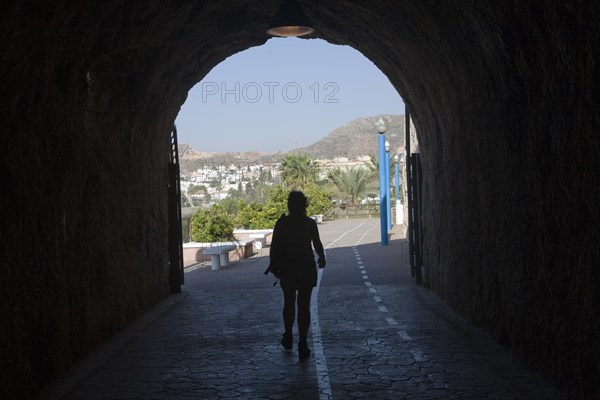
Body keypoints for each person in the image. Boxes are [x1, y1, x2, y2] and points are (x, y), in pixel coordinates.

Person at [268, 190, 326, 360]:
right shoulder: (309, 223)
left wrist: (274, 265)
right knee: (304, 305)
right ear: (305, 205)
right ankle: (302, 342)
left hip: (287, 270)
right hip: (306, 269)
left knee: (288, 303)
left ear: (289, 205)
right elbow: (317, 243)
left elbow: (274, 246)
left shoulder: (282, 223)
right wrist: (321, 258)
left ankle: (288, 336)